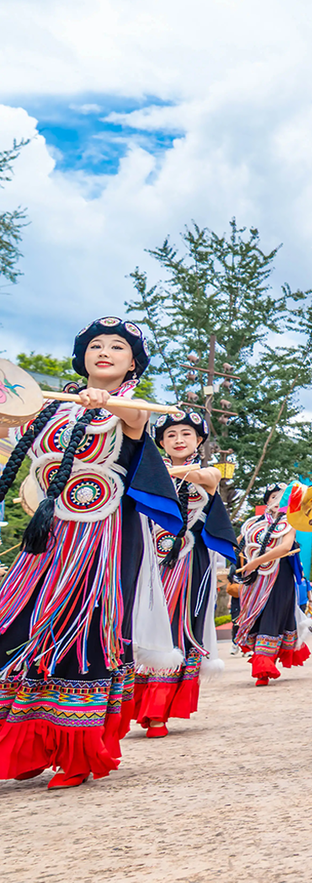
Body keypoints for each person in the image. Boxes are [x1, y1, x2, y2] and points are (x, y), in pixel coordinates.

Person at [0, 317, 185, 789]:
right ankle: (27, 745)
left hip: (102, 539)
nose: (104, 351)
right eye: (95, 345)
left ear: (132, 361)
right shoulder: (54, 408)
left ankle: (76, 753)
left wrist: (110, 402)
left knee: (80, 637)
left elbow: (135, 422)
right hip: (50, 536)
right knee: (16, 624)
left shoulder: (135, 406)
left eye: (117, 347)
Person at [130, 410, 237, 739]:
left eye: (186, 435)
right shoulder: (148, 471)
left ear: (199, 440)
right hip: (150, 561)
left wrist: (157, 472)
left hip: (190, 564)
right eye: (171, 435)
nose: (178, 440)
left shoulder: (207, 473)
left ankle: (159, 711)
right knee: (142, 625)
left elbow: (205, 481)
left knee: (178, 627)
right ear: (160, 441)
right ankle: (137, 707)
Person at [234, 487, 310, 686]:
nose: (278, 500)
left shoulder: (289, 522)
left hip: (279, 576)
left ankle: (263, 665)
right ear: (267, 501)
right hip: (255, 578)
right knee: (256, 617)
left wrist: (256, 561)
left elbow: (285, 547)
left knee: (273, 615)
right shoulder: (253, 524)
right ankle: (264, 661)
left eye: (283, 497)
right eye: (274, 497)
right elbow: (237, 545)